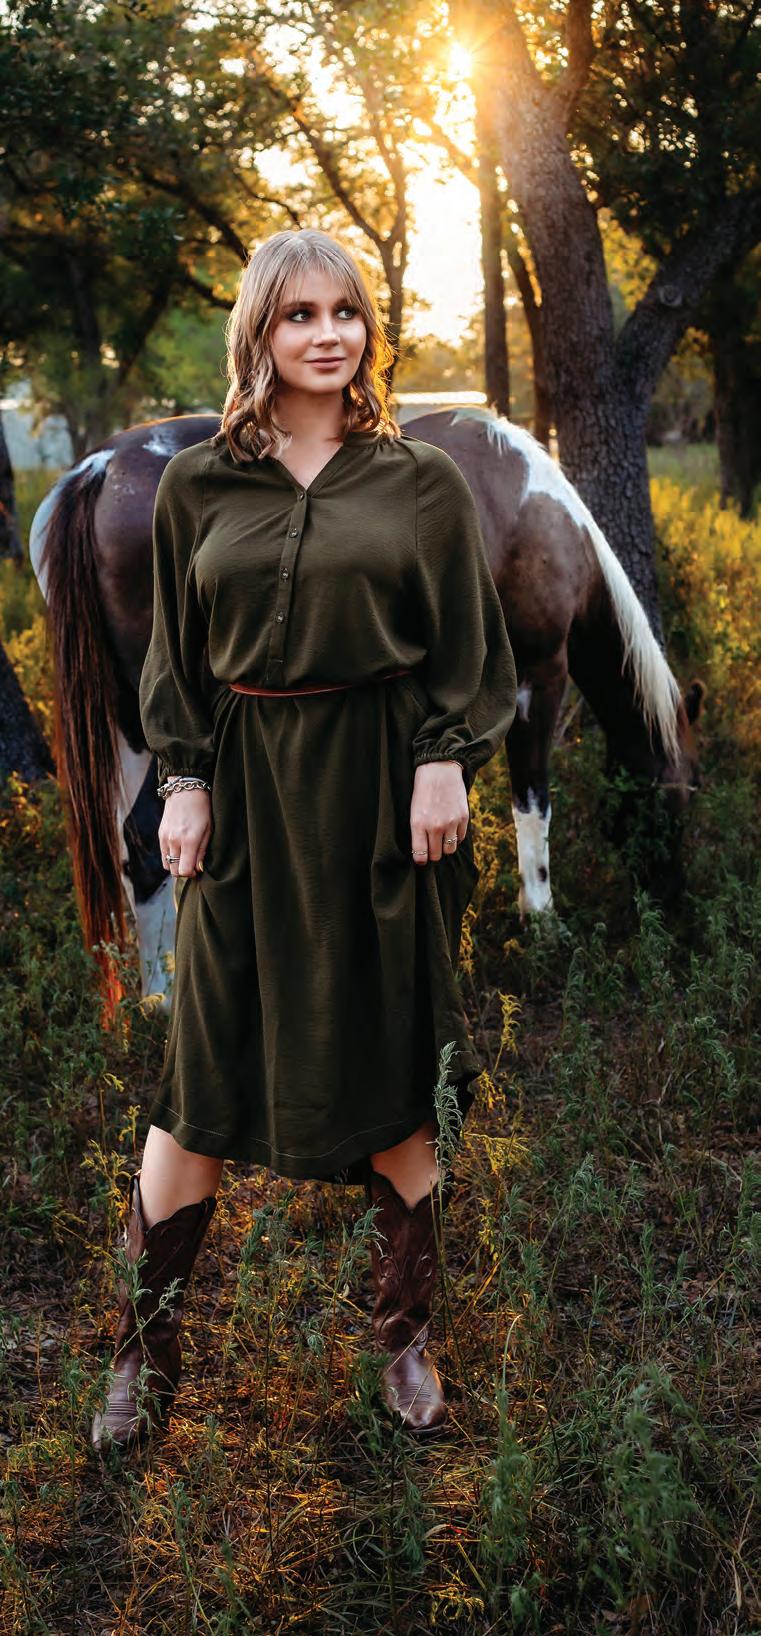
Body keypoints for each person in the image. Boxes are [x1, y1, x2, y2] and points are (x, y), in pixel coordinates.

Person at [89, 228, 517, 1454]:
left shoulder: (418, 481)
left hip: (384, 794)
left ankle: (404, 1340)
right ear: (259, 333)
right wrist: (181, 780)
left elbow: (467, 646)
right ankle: (142, 1348)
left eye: (345, 311)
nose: (327, 334)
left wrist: (441, 755)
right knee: (200, 1072)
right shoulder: (197, 487)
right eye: (299, 315)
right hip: (242, 798)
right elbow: (175, 655)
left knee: (394, 1056)